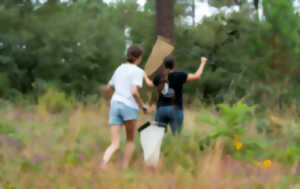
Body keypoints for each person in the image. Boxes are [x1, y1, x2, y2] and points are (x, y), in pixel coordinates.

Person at [101, 44, 148, 169]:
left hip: (115, 105)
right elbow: (134, 92)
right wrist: (142, 106)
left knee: (114, 144)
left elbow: (108, 88)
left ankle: (103, 165)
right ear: (139, 57)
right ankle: (124, 168)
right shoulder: (138, 71)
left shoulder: (119, 68)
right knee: (130, 141)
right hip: (129, 107)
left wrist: (111, 100)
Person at [144, 55, 207, 135]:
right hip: (175, 110)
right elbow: (197, 76)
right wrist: (203, 63)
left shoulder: (159, 77)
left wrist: (145, 76)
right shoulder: (180, 76)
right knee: (176, 137)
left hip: (161, 110)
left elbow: (149, 84)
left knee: (158, 136)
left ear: (164, 65)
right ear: (174, 65)